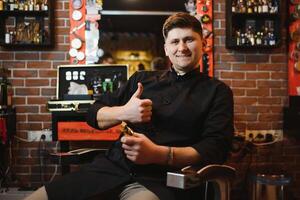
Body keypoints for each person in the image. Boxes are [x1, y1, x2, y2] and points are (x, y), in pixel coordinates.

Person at [25, 12, 233, 200]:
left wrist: (158, 154)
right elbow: (93, 113)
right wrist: (126, 112)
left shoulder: (217, 92)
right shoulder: (142, 80)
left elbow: (215, 149)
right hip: (110, 169)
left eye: (189, 40)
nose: (182, 48)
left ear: (203, 44)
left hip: (164, 180)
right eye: (175, 41)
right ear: (166, 49)